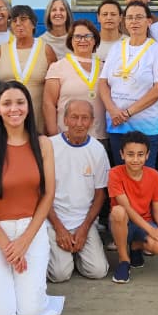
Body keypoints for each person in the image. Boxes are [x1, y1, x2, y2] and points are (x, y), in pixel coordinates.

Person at [0, 81, 65, 315]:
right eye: (7, 103)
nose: (14, 109)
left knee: (30, 313)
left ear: (28, 107)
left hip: (30, 231)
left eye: (20, 102)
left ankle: (6, 280)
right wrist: (8, 246)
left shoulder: (43, 144)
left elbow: (48, 194)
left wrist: (24, 241)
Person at [99, 1, 158, 167]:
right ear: (124, 21)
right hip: (117, 126)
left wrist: (128, 113)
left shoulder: (157, 51)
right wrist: (112, 110)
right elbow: (103, 82)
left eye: (139, 17)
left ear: (149, 21)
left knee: (143, 177)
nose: (134, 21)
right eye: (130, 17)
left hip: (145, 127)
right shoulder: (117, 48)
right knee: (120, 175)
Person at [47, 100, 110, 282]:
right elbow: (41, 193)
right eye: (74, 117)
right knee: (59, 274)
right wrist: (59, 229)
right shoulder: (50, 146)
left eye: (85, 118)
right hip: (54, 221)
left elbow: (100, 195)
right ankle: (65, 254)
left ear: (92, 121)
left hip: (84, 221)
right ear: (65, 119)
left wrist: (83, 230)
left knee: (98, 271)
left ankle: (75, 253)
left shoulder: (97, 150)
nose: (79, 123)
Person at [108, 130, 158, 284]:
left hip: (144, 222)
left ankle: (136, 247)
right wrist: (152, 231)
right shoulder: (115, 173)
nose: (135, 159)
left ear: (147, 155)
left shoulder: (154, 175)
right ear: (122, 154)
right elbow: (127, 209)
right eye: (130, 154)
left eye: (140, 154)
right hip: (123, 223)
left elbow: (157, 208)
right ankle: (124, 261)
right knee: (118, 211)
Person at [44, 19, 107, 142]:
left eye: (88, 36)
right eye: (77, 36)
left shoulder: (104, 67)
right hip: (67, 137)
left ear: (95, 40)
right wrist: (53, 135)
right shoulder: (58, 67)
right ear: (70, 40)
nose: (82, 40)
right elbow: (48, 103)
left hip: (99, 136)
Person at [0, 5, 57, 130]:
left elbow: (54, 90)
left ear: (33, 24)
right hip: (8, 120)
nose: (18, 24)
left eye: (23, 19)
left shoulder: (46, 50)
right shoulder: (1, 50)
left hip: (37, 120)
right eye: (14, 20)